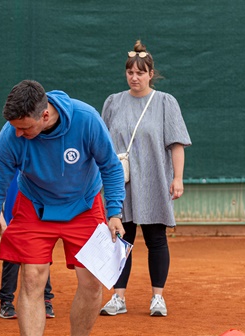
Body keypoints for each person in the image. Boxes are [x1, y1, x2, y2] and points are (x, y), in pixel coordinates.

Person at [0, 80, 125, 336]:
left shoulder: (86, 119)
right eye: (14, 127)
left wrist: (114, 213)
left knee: (91, 282)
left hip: (84, 206)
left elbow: (110, 166)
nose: (18, 133)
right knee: (31, 279)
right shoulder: (10, 135)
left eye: (24, 128)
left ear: (45, 116)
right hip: (34, 207)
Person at [100, 40, 191, 317]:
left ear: (151, 73)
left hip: (154, 180)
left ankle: (157, 298)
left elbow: (176, 144)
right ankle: (118, 298)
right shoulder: (114, 102)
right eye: (130, 72)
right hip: (120, 183)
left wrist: (177, 178)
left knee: (156, 239)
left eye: (140, 72)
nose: (135, 77)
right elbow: (101, 144)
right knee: (120, 239)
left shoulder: (165, 102)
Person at [0, 174, 56, 320]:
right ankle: (6, 301)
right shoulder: (8, 165)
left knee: (41, 260)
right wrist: (1, 220)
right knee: (12, 262)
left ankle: (46, 299)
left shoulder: (38, 165)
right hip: (13, 221)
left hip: (38, 220)